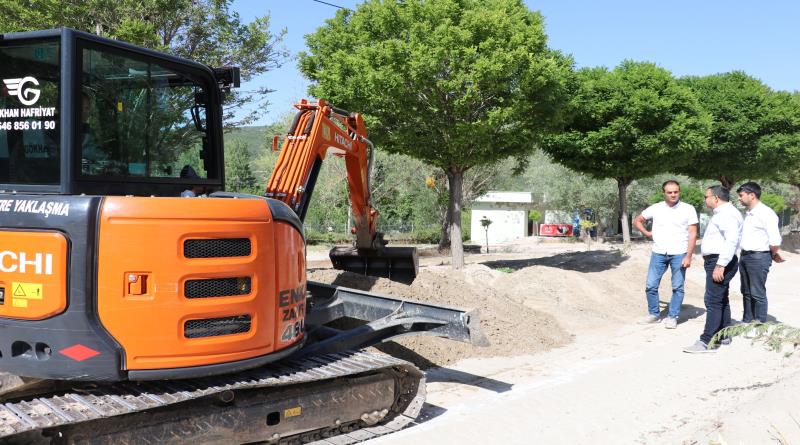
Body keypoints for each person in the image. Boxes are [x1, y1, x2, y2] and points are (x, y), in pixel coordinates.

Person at [684, 185, 742, 353]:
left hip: (720, 260)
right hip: (719, 260)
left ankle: (707, 341)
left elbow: (731, 241)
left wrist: (720, 264)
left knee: (713, 301)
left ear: (716, 198)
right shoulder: (724, 213)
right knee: (721, 298)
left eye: (706, 196)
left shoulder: (727, 214)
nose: (705, 199)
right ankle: (724, 334)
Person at [634, 180, 699, 329]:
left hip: (679, 253)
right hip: (659, 252)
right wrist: (647, 233)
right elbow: (637, 220)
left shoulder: (688, 209)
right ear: (664, 193)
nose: (673, 194)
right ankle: (654, 314)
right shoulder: (656, 208)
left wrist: (688, 256)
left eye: (676, 191)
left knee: (677, 287)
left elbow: (693, 233)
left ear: (679, 192)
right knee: (651, 285)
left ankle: (672, 316)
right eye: (669, 192)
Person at [736, 182, 784, 324]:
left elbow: (775, 241)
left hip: (758, 256)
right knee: (746, 291)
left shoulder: (766, 213)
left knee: (757, 292)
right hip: (745, 256)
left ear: (752, 195)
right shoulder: (750, 213)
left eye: (741, 195)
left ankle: (759, 324)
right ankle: (747, 321)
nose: (739, 198)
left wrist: (772, 254)